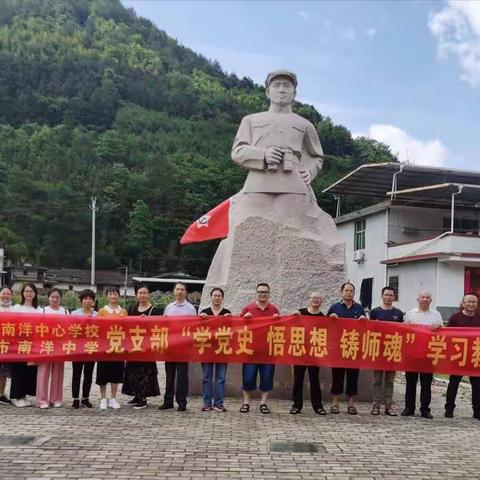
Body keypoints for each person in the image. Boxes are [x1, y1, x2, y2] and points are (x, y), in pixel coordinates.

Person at [239, 283, 280, 414]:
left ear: (269, 294)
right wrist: (244, 319)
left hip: (268, 351)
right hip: (250, 351)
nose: (263, 294)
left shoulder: (274, 310)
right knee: (248, 378)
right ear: (256, 293)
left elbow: (281, 329)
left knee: (267, 378)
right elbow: (237, 327)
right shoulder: (248, 308)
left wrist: (277, 320)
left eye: (265, 292)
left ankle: (263, 403)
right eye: (260, 292)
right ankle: (246, 402)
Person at [402, 291, 443, 419]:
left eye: (427, 297)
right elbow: (403, 330)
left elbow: (443, 330)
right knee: (410, 382)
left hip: (428, 354)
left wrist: (439, 326)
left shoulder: (436, 314)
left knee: (426, 383)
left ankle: (425, 409)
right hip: (412, 353)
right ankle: (409, 408)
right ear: (418, 299)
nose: (425, 299)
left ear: (431, 300)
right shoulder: (410, 313)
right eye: (422, 297)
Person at [327, 282, 366, 415]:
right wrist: (330, 318)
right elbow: (325, 326)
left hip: (354, 347)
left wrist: (364, 320)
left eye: (351, 291)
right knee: (337, 375)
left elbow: (366, 328)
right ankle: (335, 403)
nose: (348, 293)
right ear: (342, 292)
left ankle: (351, 404)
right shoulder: (334, 307)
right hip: (338, 347)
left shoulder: (360, 308)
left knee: (353, 376)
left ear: (354, 293)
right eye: (346, 290)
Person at [159, 282, 197, 412]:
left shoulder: (191, 308)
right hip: (170, 346)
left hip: (183, 347)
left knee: (182, 376)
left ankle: (182, 402)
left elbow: (193, 327)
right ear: (174, 292)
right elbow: (164, 325)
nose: (180, 291)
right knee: (169, 375)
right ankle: (168, 401)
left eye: (182, 289)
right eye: (177, 289)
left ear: (185, 292)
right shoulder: (169, 307)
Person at [122, 285, 161, 410]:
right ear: (136, 295)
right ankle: (136, 395)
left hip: (147, 346)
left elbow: (160, 327)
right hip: (134, 345)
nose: (142, 295)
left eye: (145, 293)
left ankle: (143, 398)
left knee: (145, 371)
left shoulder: (155, 310)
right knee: (132, 370)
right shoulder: (132, 308)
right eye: (140, 293)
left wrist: (149, 320)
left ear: (149, 294)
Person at [369, 286, 404, 416]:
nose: (389, 297)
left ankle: (388, 406)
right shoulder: (374, 312)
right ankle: (376, 405)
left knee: (390, 381)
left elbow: (402, 332)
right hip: (378, 350)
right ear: (382, 296)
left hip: (392, 350)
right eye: (386, 295)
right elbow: (370, 331)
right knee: (377, 380)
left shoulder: (399, 313)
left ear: (394, 297)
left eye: (391, 295)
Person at [290, 292, 326, 415]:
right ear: (309, 300)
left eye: (318, 298)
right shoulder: (301, 312)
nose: (315, 300)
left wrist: (321, 357)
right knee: (298, 380)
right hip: (300, 352)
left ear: (322, 301)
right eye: (313, 298)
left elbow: (325, 338)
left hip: (314, 354)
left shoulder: (323, 317)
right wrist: (294, 316)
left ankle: (318, 406)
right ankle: (296, 405)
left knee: (314, 381)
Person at [444, 294, 480, 420]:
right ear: (463, 303)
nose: (471, 304)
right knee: (454, 383)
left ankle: (477, 411)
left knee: (477, 385)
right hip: (458, 355)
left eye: (474, 302)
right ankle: (449, 409)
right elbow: (448, 335)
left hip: (475, 355)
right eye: (469, 302)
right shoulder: (455, 318)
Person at [10, 283, 43, 407]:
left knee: (29, 370)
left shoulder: (39, 310)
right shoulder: (16, 308)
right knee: (18, 369)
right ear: (23, 293)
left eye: (31, 291)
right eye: (26, 291)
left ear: (35, 294)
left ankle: (24, 395)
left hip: (33, 344)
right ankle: (17, 397)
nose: (29, 293)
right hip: (18, 344)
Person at [199, 287, 231, 412]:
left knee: (221, 378)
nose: (217, 298)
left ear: (222, 298)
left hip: (222, 349)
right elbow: (198, 330)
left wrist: (230, 319)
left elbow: (232, 331)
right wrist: (200, 318)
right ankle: (207, 403)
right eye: (215, 295)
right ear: (210, 297)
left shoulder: (227, 312)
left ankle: (218, 403)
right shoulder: (205, 312)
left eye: (219, 296)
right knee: (206, 377)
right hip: (207, 349)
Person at [36, 288, 69, 409]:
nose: (54, 299)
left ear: (60, 299)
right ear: (48, 298)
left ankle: (56, 399)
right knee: (43, 373)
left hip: (60, 346)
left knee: (58, 373)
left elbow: (69, 329)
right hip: (45, 346)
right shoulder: (43, 311)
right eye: (52, 297)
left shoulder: (65, 312)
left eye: (57, 297)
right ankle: (41, 400)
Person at [96, 286, 128, 410]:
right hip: (104, 347)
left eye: (115, 294)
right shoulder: (102, 311)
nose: (113, 296)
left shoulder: (123, 312)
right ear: (107, 296)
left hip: (118, 347)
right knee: (103, 373)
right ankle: (103, 398)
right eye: (110, 294)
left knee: (116, 373)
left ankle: (113, 398)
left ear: (118, 295)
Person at [70, 289, 97, 409]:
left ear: (93, 301)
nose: (88, 301)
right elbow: (70, 331)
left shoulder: (97, 315)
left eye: (90, 299)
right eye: (85, 298)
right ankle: (75, 398)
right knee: (76, 374)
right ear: (81, 300)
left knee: (88, 374)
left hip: (91, 348)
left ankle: (85, 398)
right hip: (78, 349)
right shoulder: (74, 314)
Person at [0, 286, 14, 405]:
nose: (6, 296)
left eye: (8, 294)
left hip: (7, 346)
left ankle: (1, 394)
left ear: (11, 295)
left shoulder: (15, 310)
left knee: (3, 372)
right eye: (3, 293)